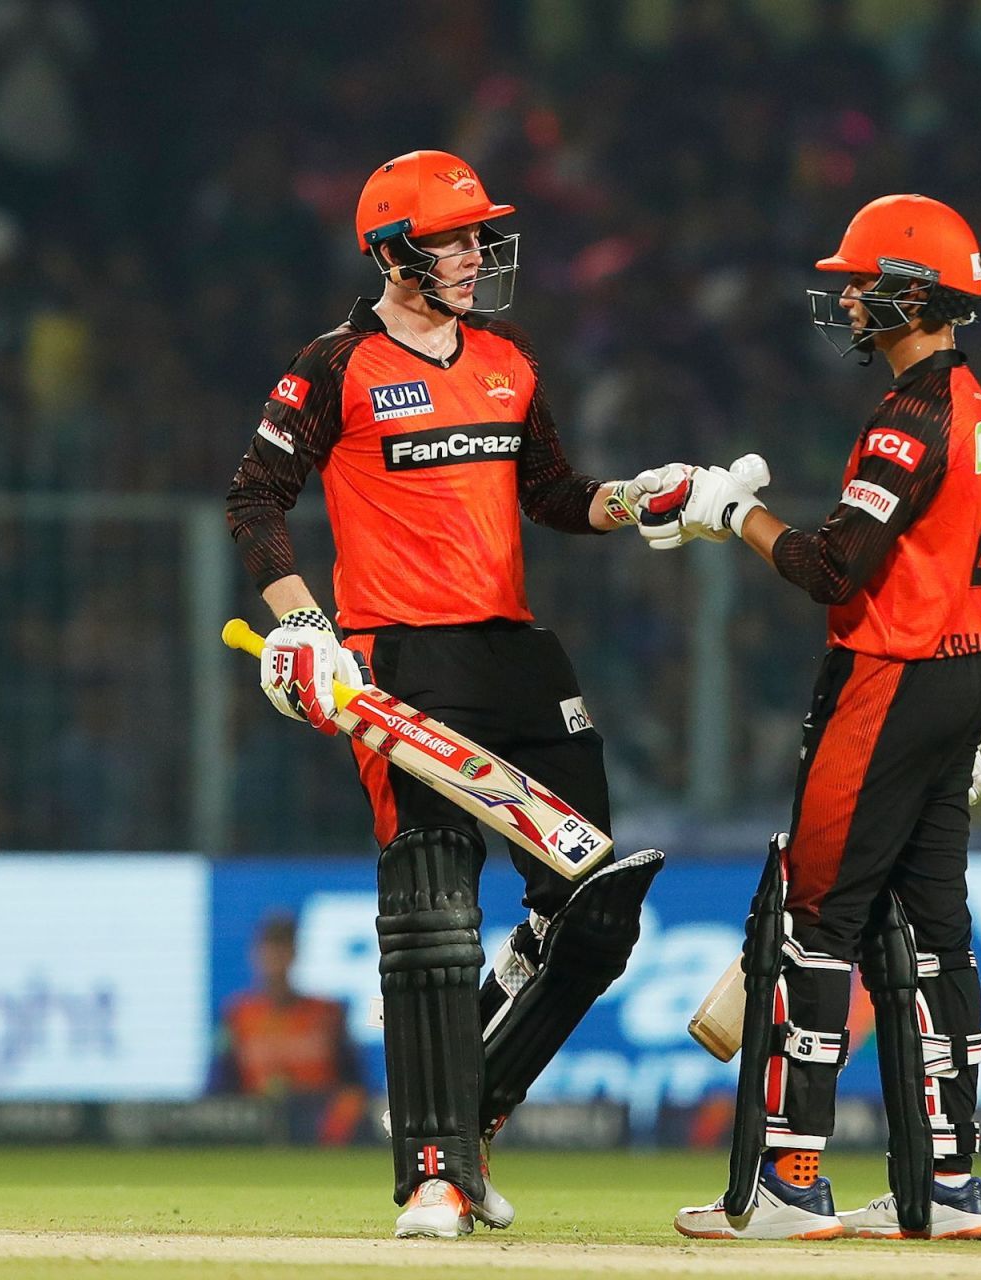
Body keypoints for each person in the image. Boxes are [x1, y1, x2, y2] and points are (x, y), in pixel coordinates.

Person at [224, 150, 680, 1239]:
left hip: (515, 655)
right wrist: (304, 625)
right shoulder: (332, 366)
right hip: (398, 662)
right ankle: (432, 1170)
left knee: (596, 899)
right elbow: (255, 500)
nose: (478, 253)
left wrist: (646, 499)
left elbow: (555, 496)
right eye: (457, 238)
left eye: (481, 236)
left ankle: (470, 1111)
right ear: (393, 252)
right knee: (432, 905)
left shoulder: (511, 365)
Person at [648, 194, 981, 1241]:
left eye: (865, 280)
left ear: (914, 291)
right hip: (955, 677)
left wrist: (734, 514)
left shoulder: (909, 417)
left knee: (816, 920)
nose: (851, 297)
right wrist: (963, 708)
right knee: (940, 935)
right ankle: (950, 1186)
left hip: (887, 683)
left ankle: (790, 1180)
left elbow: (831, 568)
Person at [208, 912, 361, 1098]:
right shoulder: (236, 1016)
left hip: (318, 1122)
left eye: (283, 948)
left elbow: (355, 1085)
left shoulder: (328, 1014)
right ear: (255, 954)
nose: (276, 959)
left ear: (295, 952)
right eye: (270, 948)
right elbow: (218, 1089)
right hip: (258, 1121)